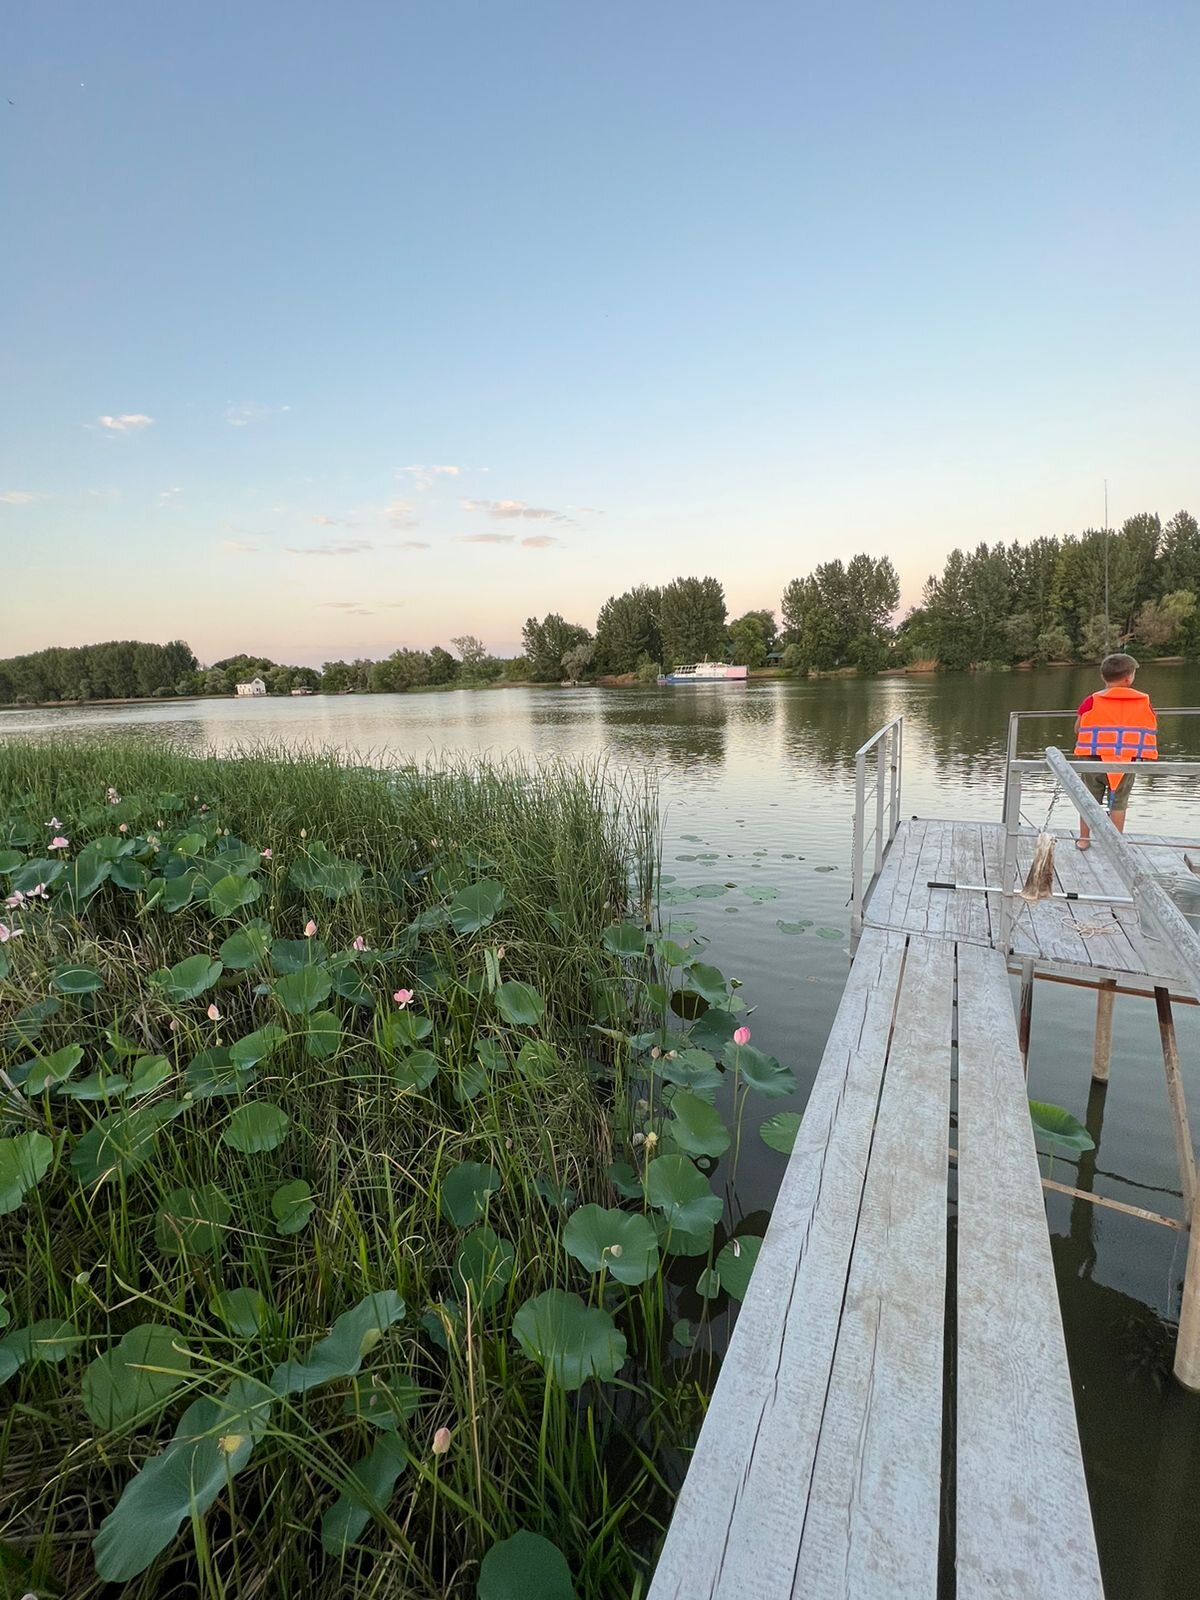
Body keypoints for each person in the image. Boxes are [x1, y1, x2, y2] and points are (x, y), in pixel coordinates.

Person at [1073, 652, 1158, 848]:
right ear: (1129, 678)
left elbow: (1079, 728)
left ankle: (1084, 839)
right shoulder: (1143, 700)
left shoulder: (1092, 700)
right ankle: (1115, 843)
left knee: (1088, 799)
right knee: (1119, 802)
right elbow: (1150, 726)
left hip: (1094, 759)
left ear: (1103, 677)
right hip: (1125, 761)